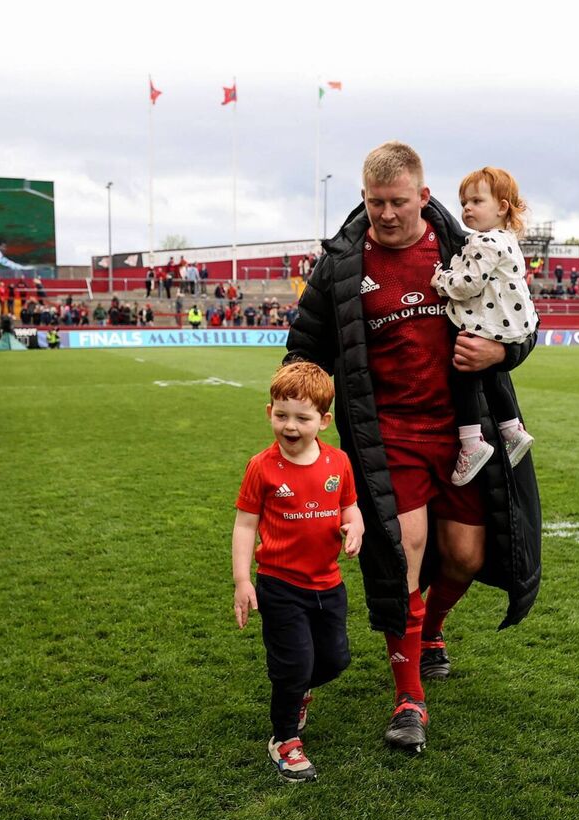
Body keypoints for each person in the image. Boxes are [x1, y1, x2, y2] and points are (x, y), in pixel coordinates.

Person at [286, 140, 541, 753]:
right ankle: (409, 700)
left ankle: (431, 632)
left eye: (398, 202)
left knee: (466, 557)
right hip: (387, 436)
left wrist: (502, 352)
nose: (386, 214)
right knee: (404, 555)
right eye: (375, 203)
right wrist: (296, 404)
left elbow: (523, 319)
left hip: (464, 432)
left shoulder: (465, 247)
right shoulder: (341, 266)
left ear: (423, 198)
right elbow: (305, 344)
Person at [232, 362, 363, 784]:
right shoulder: (262, 466)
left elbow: (350, 505)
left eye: (302, 418)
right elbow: (245, 525)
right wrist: (242, 580)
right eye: (281, 415)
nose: (290, 426)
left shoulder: (338, 462)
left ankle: (300, 692)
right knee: (293, 664)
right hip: (280, 585)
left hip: (328, 584)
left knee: (336, 659)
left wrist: (355, 524)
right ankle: (284, 739)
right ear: (269, 411)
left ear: (323, 421)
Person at [430, 167, 538, 485]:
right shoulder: (506, 239)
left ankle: (472, 443)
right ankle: (512, 430)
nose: (467, 208)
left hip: (490, 320)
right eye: (464, 201)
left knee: (462, 373)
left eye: (477, 200)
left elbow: (468, 284)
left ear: (502, 207)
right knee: (491, 375)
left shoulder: (486, 241)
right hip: (511, 320)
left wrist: (440, 280)